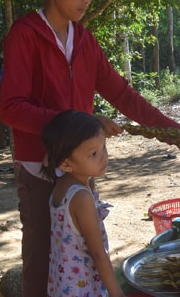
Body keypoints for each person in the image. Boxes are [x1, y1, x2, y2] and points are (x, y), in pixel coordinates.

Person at [0, 0, 180, 296]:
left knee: (82, 252)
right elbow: (11, 109)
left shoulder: (84, 40)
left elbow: (122, 95)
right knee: (40, 258)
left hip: (80, 167)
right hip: (39, 165)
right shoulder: (25, 34)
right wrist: (78, 121)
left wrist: (172, 132)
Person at [42, 110, 124, 297]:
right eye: (93, 153)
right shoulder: (81, 198)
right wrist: (117, 294)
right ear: (66, 164)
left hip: (63, 286)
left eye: (103, 146)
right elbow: (98, 254)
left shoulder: (60, 187)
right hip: (82, 288)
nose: (104, 156)